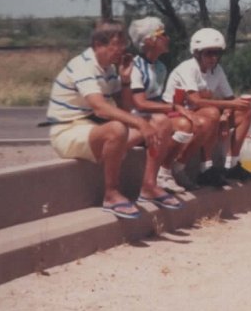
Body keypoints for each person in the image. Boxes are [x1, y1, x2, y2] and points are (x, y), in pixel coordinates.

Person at [45, 20, 174, 219]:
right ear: (99, 45)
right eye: (117, 44)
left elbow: (124, 109)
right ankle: (111, 193)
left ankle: (149, 186)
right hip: (68, 132)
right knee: (117, 128)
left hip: (92, 129)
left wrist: (125, 80)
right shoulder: (83, 66)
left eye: (124, 44)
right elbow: (101, 108)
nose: (121, 49)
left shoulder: (109, 70)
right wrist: (140, 123)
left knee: (161, 123)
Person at [162, 27, 251, 187]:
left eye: (217, 53)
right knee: (212, 113)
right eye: (208, 53)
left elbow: (229, 97)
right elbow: (195, 101)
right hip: (176, 114)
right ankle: (199, 167)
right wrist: (228, 106)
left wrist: (226, 115)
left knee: (245, 110)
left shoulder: (217, 70)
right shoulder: (189, 68)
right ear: (197, 53)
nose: (213, 58)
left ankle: (232, 165)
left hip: (201, 115)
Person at [127, 17, 215, 193]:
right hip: (138, 119)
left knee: (202, 123)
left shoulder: (160, 67)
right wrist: (175, 108)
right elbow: (139, 103)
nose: (167, 38)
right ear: (149, 41)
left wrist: (182, 107)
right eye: (163, 34)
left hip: (156, 116)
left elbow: (160, 100)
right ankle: (163, 173)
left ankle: (175, 168)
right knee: (183, 125)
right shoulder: (135, 67)